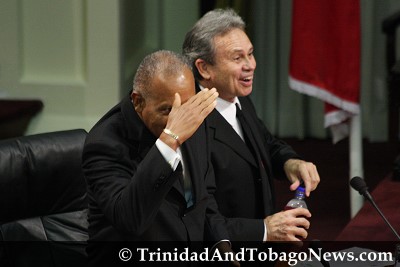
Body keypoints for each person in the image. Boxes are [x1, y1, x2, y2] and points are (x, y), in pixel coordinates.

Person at [182, 8, 320, 243]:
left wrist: (290, 162)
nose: (251, 65)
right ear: (204, 68)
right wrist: (264, 230)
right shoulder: (192, 125)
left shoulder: (238, 98)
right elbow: (203, 217)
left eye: (251, 54)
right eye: (237, 58)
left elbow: (265, 143)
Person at [82, 50, 226, 265]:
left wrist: (220, 242)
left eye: (186, 107)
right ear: (138, 102)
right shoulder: (104, 144)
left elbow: (204, 194)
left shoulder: (194, 114)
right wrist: (169, 141)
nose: (181, 118)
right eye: (168, 110)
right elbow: (130, 220)